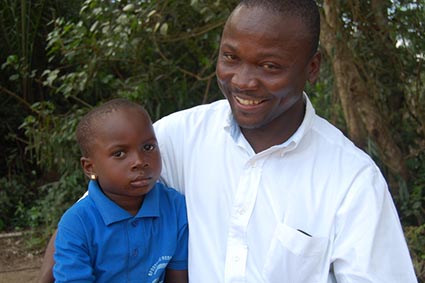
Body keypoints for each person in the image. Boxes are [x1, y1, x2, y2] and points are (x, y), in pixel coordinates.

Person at [40, 0, 417, 282]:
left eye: (269, 66)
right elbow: (90, 212)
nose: (243, 81)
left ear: (312, 67)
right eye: (230, 57)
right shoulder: (174, 138)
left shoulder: (351, 180)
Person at [51, 99, 188, 283]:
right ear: (90, 167)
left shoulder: (174, 207)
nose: (140, 161)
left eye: (148, 147)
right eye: (119, 154)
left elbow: (178, 276)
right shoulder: (78, 223)